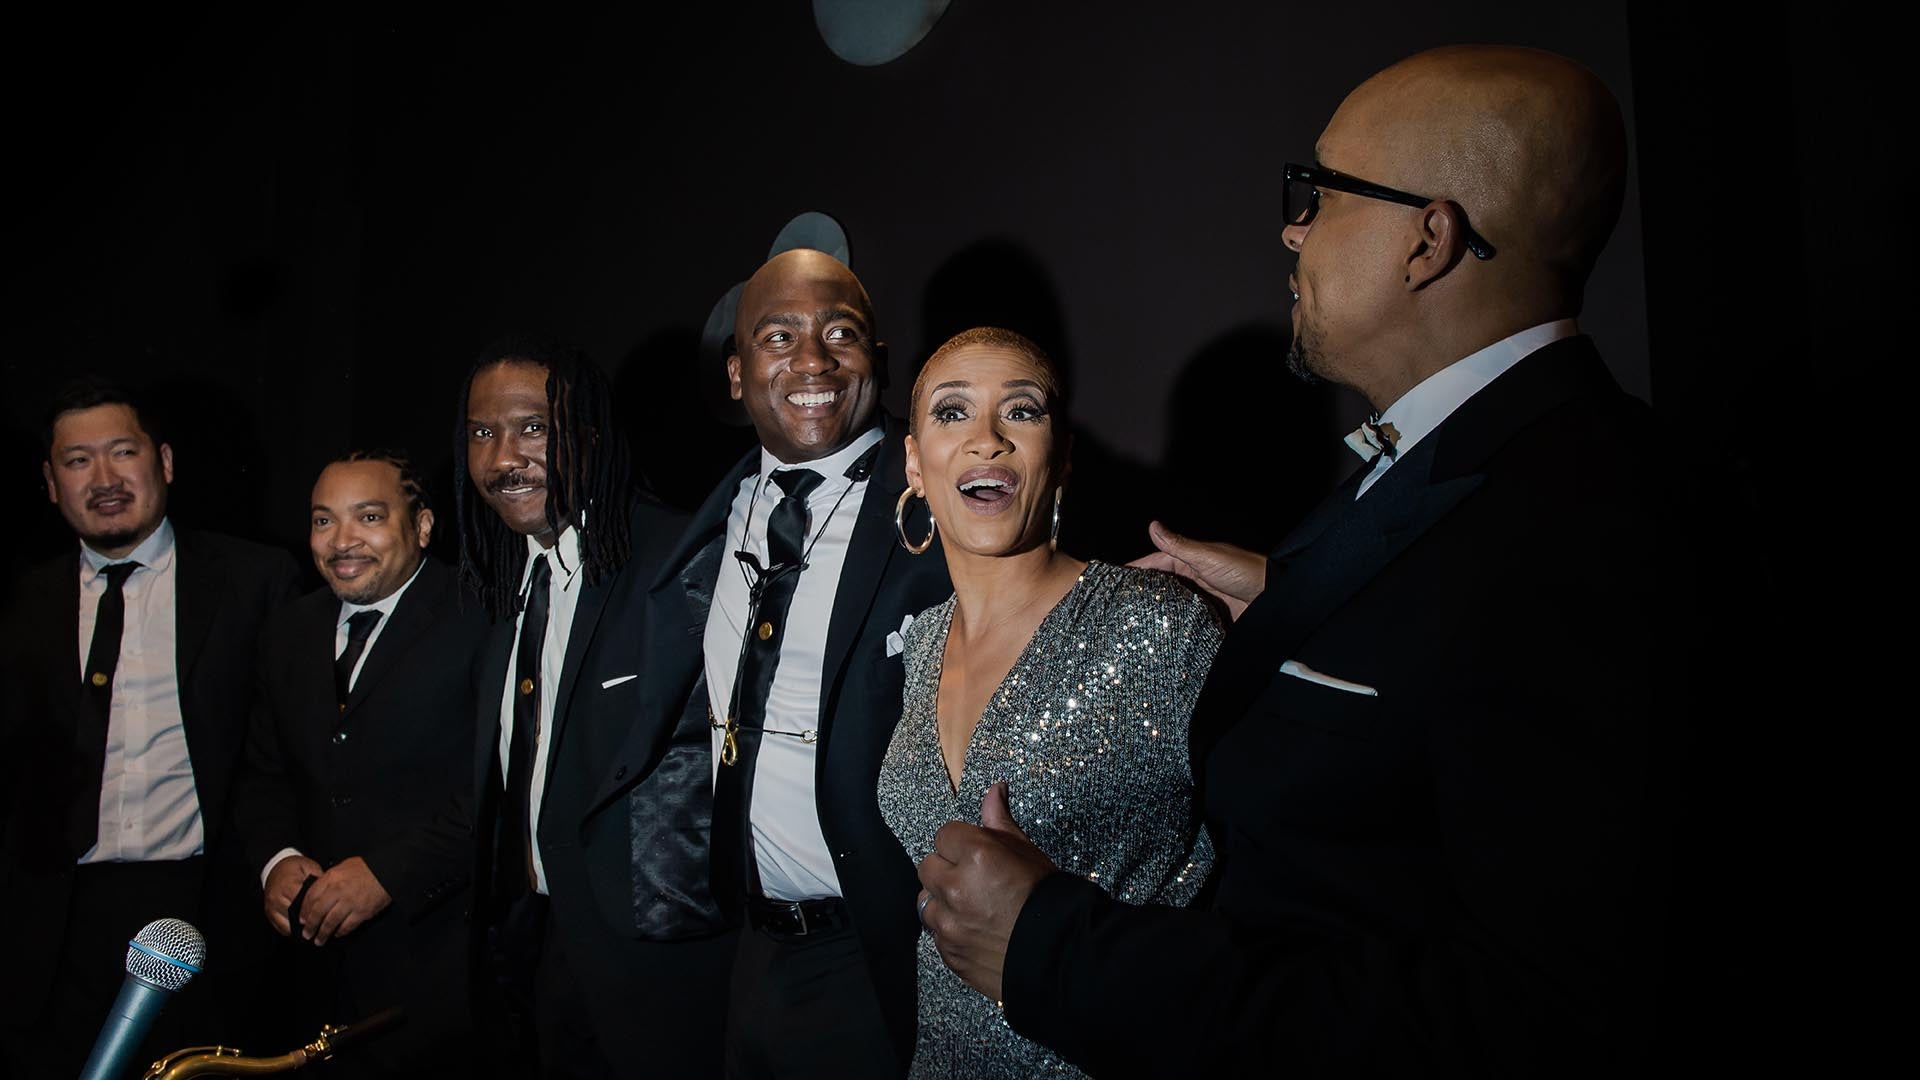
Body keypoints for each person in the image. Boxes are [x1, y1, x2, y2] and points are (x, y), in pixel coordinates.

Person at [916, 45, 1667, 1076]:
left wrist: (1056, 947)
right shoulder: (1445, 474)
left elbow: (1530, 1018)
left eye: (1319, 194)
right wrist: (1304, 602)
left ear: (1427, 241)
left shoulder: (1590, 523)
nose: (1292, 228)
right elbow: (1443, 680)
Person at [878, 327, 1221, 1077]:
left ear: (1061, 455)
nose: (988, 438)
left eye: (1021, 411)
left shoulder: (1157, 623)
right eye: (952, 412)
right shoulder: (924, 640)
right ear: (914, 463)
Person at [654, 248, 950, 1077]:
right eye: (779, 337)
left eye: (840, 334)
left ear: (878, 361)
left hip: (888, 955)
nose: (814, 361)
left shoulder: (942, 509)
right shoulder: (708, 524)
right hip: (747, 952)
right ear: (737, 373)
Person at [0, 378, 300, 1076]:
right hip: (48, 932)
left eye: (122, 452)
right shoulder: (18, 603)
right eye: (78, 461)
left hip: (203, 915)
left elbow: (287, 753)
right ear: (50, 482)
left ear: (163, 461)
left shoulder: (255, 581)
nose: (103, 479)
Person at [456, 335, 733, 1077]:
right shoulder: (495, 580)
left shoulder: (675, 559)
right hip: (536, 950)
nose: (503, 458)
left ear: (591, 434)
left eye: (533, 428)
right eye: (482, 433)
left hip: (655, 960)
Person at [231, 450, 490, 1075]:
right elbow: (264, 773)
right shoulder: (287, 630)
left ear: (422, 526)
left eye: (368, 517)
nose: (342, 540)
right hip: (311, 972)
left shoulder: (483, 616)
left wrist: (387, 874)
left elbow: (500, 784)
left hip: (443, 968)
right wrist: (276, 860)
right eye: (324, 520)